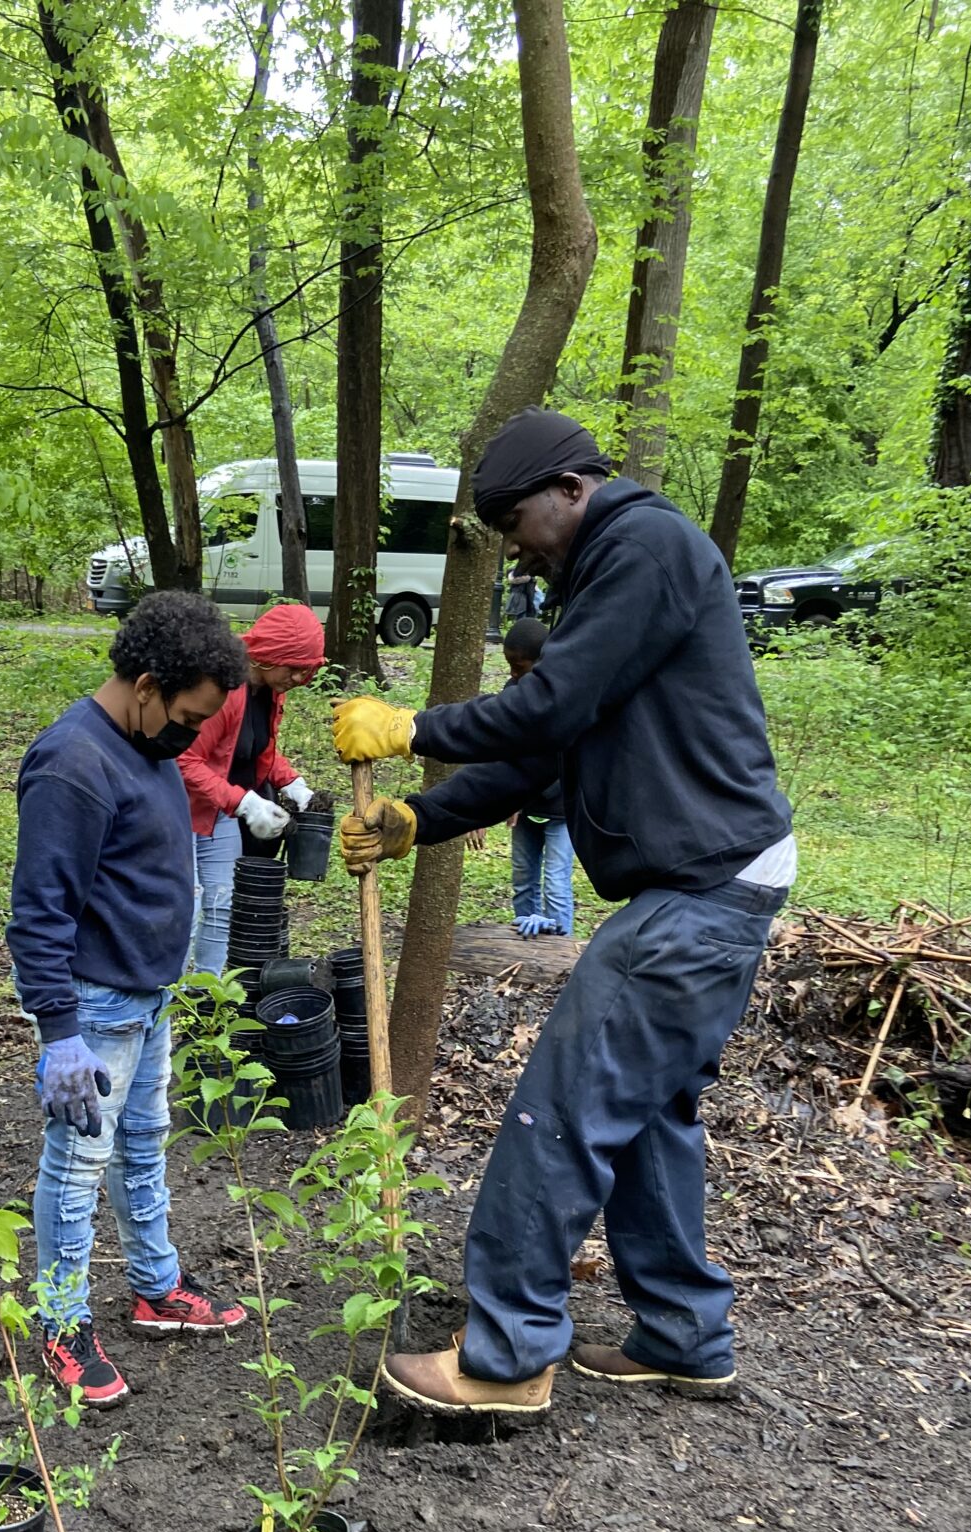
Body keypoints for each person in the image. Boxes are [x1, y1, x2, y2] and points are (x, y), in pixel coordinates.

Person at [334, 406, 795, 1416]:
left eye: (515, 521)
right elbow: (545, 753)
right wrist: (422, 817)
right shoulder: (607, 577)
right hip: (715, 881)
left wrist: (413, 724)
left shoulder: (647, 546)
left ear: (572, 490)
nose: (513, 546)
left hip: (699, 890)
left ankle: (504, 1357)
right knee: (645, 1116)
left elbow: (547, 707)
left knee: (564, 1105)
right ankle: (684, 1333)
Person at [7, 590, 249, 1410]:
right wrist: (58, 1033)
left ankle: (155, 1285)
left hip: (149, 999)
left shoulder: (145, 747)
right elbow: (39, 909)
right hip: (95, 1007)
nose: (192, 734)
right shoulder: (72, 763)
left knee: (144, 1145)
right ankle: (60, 1321)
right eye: (187, 715)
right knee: (76, 1167)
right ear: (146, 685)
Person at [181, 602, 324, 974]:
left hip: (221, 810)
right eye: (294, 668)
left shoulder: (270, 691)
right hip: (180, 811)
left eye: (304, 672)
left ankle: (206, 997)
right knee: (187, 905)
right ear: (269, 655)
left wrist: (290, 781)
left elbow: (253, 749)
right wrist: (244, 803)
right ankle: (167, 994)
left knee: (223, 902)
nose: (297, 679)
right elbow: (183, 762)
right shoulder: (222, 689)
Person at [501, 618, 574, 939]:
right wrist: (509, 798)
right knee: (522, 878)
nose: (513, 673)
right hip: (524, 806)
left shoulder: (567, 694)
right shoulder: (512, 693)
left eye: (519, 665)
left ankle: (559, 952)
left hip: (561, 809)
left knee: (556, 884)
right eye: (509, 666)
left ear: (541, 660)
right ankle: (525, 947)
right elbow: (504, 748)